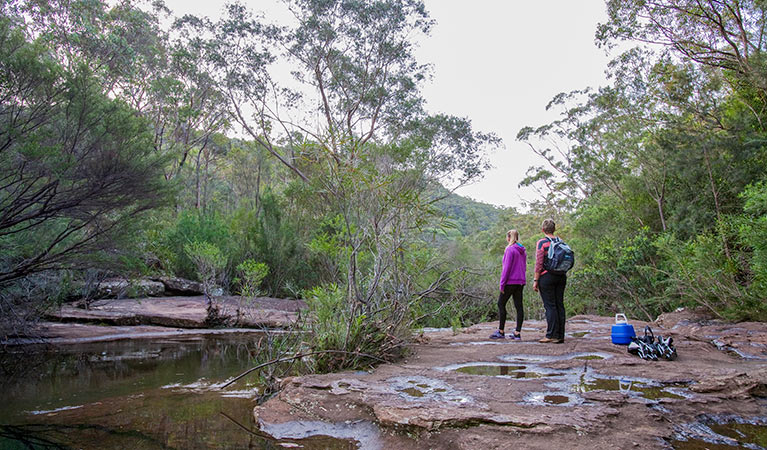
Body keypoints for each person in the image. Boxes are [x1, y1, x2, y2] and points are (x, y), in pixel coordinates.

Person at [533, 218, 567, 343]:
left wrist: (536, 280)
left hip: (547, 277)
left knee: (550, 306)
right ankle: (560, 335)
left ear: (543, 229)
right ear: (554, 229)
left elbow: (539, 263)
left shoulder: (542, 242)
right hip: (561, 276)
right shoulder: (561, 241)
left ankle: (550, 335)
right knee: (559, 305)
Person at [489, 229, 527, 340]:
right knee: (519, 306)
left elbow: (506, 268)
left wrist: (502, 284)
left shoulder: (510, 250)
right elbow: (524, 266)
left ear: (509, 238)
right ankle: (517, 333)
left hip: (510, 282)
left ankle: (501, 331)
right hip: (520, 281)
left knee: (501, 304)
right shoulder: (522, 250)